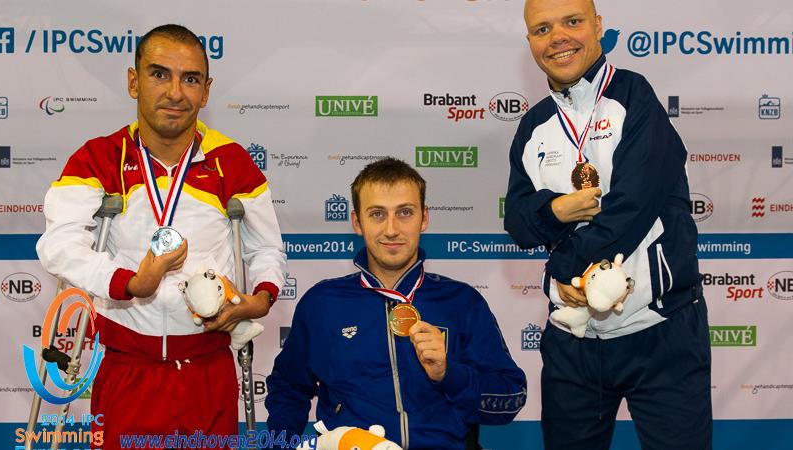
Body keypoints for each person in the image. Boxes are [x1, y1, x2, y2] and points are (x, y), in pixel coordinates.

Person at [36, 24, 286, 449]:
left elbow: (266, 249)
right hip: (127, 368)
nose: (175, 92)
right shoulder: (98, 157)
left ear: (206, 92)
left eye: (190, 79)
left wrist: (258, 301)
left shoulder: (232, 162)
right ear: (133, 82)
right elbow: (58, 245)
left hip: (208, 369)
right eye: (159, 74)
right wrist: (131, 283)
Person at [504, 0, 712, 449]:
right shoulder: (534, 125)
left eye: (572, 22)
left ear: (598, 27)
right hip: (573, 339)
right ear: (530, 43)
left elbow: (630, 210)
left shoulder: (636, 97)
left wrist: (561, 271)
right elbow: (518, 222)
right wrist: (555, 211)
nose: (558, 37)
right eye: (542, 29)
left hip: (661, 329)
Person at [266, 158, 527, 450]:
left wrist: (448, 374)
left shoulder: (462, 302)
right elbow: (287, 389)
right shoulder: (322, 304)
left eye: (404, 212)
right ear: (357, 222)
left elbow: (510, 399)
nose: (391, 229)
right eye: (377, 214)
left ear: (424, 218)